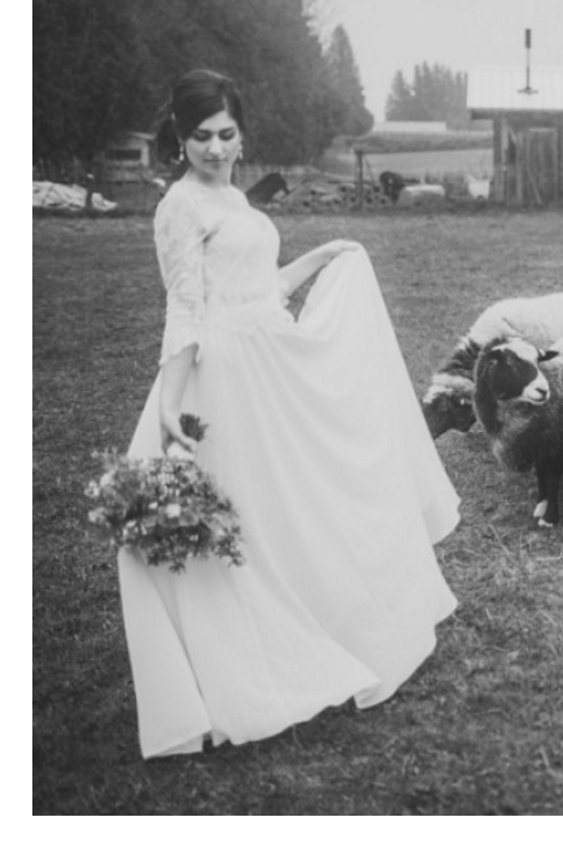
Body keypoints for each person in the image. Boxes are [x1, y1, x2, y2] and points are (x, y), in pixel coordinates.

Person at [117, 69, 460, 758]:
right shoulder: (179, 207)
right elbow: (187, 309)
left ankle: (311, 618)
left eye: (226, 134)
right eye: (201, 138)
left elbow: (257, 288)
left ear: (242, 135)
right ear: (180, 141)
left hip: (264, 358)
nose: (215, 149)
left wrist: (322, 257)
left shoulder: (234, 198)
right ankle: (240, 661)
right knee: (241, 511)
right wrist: (173, 406)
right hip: (219, 375)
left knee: (289, 504)